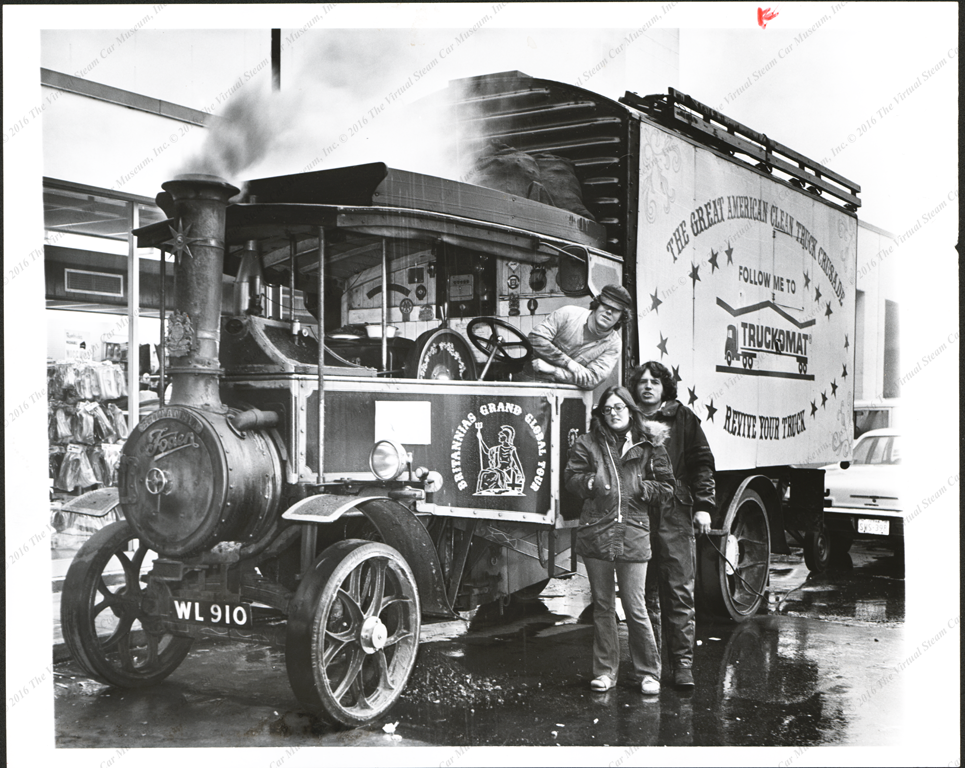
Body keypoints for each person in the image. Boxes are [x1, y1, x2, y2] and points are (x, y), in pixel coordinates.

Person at [564, 386, 675, 694]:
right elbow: (571, 479)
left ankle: (648, 673)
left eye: (619, 407)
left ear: (630, 410)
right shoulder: (587, 443)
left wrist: (643, 489)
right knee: (602, 605)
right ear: (601, 413)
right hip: (597, 530)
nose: (614, 413)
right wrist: (589, 482)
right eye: (608, 409)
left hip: (634, 532)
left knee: (635, 604)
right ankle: (604, 672)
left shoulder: (649, 444)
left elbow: (668, 486)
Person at [629, 361, 716, 689]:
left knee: (678, 589)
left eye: (655, 381)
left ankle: (682, 665)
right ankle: (650, 667)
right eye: (642, 381)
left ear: (665, 387)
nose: (648, 386)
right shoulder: (627, 418)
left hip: (675, 510)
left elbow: (701, 462)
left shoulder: (683, 418)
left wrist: (704, 506)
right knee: (643, 593)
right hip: (638, 509)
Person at [526, 284, 632, 390]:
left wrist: (554, 370)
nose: (609, 312)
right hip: (529, 380)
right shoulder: (568, 313)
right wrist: (568, 363)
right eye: (605, 305)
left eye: (616, 310)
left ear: (621, 317)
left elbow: (592, 379)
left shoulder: (614, 344)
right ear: (597, 304)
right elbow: (535, 338)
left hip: (569, 393)